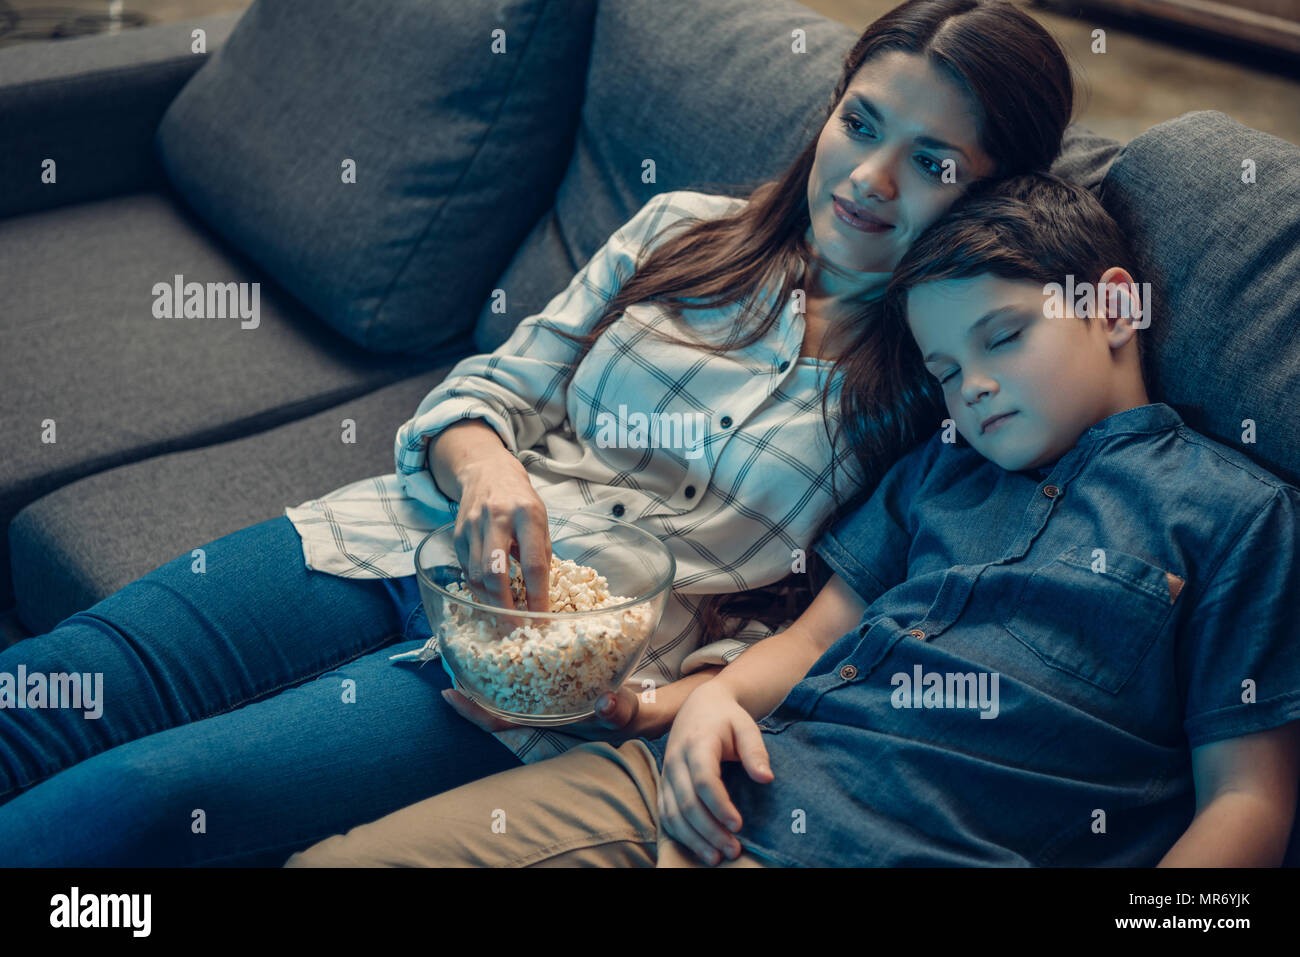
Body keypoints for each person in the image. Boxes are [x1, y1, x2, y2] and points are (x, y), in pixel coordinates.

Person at [0, 0, 1078, 865]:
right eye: (863, 123)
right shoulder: (682, 230)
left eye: (934, 165)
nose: (868, 181)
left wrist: (666, 700)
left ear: (994, 196)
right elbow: (491, 392)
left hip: (533, 687)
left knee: (139, 803)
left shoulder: (946, 393)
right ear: (832, 106)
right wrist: (484, 469)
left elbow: (844, 623)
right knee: (57, 686)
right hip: (394, 535)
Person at [286, 173, 1300, 868]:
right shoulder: (933, 475)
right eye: (946, 370)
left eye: (1003, 337)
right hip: (718, 781)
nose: (975, 388)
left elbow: (1248, 801)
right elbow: (816, 639)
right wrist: (688, 705)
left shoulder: (1232, 516)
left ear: (1113, 309)